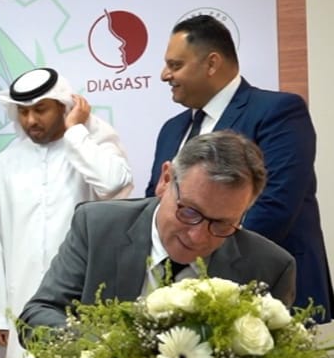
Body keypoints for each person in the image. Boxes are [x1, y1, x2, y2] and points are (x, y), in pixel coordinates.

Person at [144, 14, 331, 321]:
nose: (165, 75)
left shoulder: (278, 112)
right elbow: (155, 201)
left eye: (175, 65)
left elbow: (274, 207)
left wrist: (201, 273)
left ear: (212, 63)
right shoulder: (171, 129)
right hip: (177, 299)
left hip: (270, 293)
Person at [20, 131, 295, 333]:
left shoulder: (269, 267)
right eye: (189, 212)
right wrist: (103, 353)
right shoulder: (97, 226)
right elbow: (38, 315)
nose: (198, 236)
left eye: (222, 224)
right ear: (165, 180)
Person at [0, 67, 133, 358]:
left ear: (64, 105)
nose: (31, 120)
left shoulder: (92, 144)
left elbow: (115, 185)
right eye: (23, 112)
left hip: (81, 298)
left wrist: (76, 132)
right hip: (22, 297)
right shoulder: (7, 162)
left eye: (40, 110)